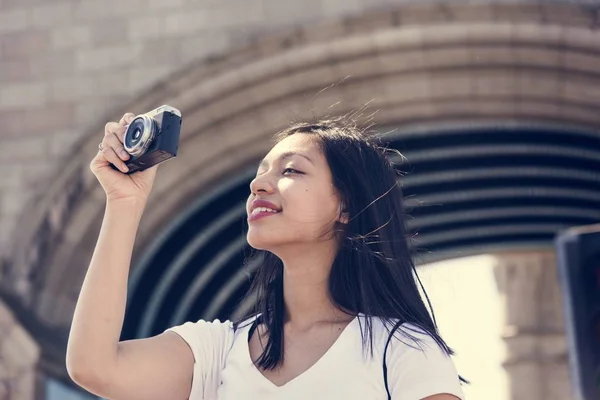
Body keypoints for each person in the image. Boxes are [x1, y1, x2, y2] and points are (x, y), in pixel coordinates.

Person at [66, 110, 466, 400]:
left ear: (346, 207)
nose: (259, 183)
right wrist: (123, 202)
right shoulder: (218, 351)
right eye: (261, 171)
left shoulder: (401, 350)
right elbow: (94, 367)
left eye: (291, 171)